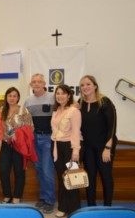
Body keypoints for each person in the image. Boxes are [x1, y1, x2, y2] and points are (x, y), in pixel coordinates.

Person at [79, 75, 117, 206]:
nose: (85, 87)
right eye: (82, 85)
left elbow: (112, 126)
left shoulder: (105, 101)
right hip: (88, 147)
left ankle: (107, 206)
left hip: (104, 146)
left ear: (95, 86)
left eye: (88, 84)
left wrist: (108, 148)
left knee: (106, 176)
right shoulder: (80, 102)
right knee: (90, 177)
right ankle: (91, 206)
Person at [24, 73, 56, 213]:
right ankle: (43, 197)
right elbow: (26, 122)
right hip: (34, 139)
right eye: (34, 82)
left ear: (44, 84)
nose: (36, 84)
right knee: (39, 170)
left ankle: (50, 200)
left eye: (39, 82)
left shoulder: (52, 98)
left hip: (48, 138)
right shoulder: (28, 101)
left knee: (48, 171)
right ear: (31, 85)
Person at [51, 84, 82, 217]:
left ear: (69, 95)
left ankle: (74, 209)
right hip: (57, 146)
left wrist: (76, 150)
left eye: (63, 93)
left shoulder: (74, 111)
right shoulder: (56, 110)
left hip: (70, 147)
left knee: (72, 179)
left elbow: (76, 131)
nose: (60, 96)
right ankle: (63, 207)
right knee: (61, 178)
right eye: (57, 93)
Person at [0, 87, 34, 204]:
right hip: (5, 145)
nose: (12, 98)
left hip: (19, 145)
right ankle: (7, 195)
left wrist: (17, 134)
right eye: (9, 96)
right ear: (6, 97)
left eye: (14, 96)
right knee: (3, 170)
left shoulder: (23, 110)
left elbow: (30, 128)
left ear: (18, 97)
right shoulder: (1, 110)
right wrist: (9, 134)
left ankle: (17, 196)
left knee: (19, 171)